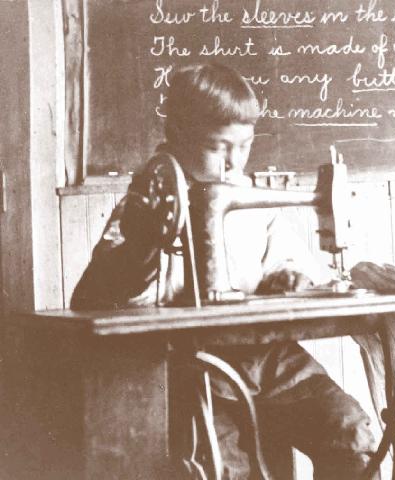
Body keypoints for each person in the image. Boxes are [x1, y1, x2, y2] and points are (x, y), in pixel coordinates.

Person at [71, 62, 376, 479]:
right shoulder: (146, 205)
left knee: (351, 431)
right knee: (222, 466)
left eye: (245, 145)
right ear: (178, 137)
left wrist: (285, 279)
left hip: (265, 354)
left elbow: (287, 263)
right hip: (189, 361)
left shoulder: (246, 199)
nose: (234, 161)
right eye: (218, 147)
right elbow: (98, 294)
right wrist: (141, 252)